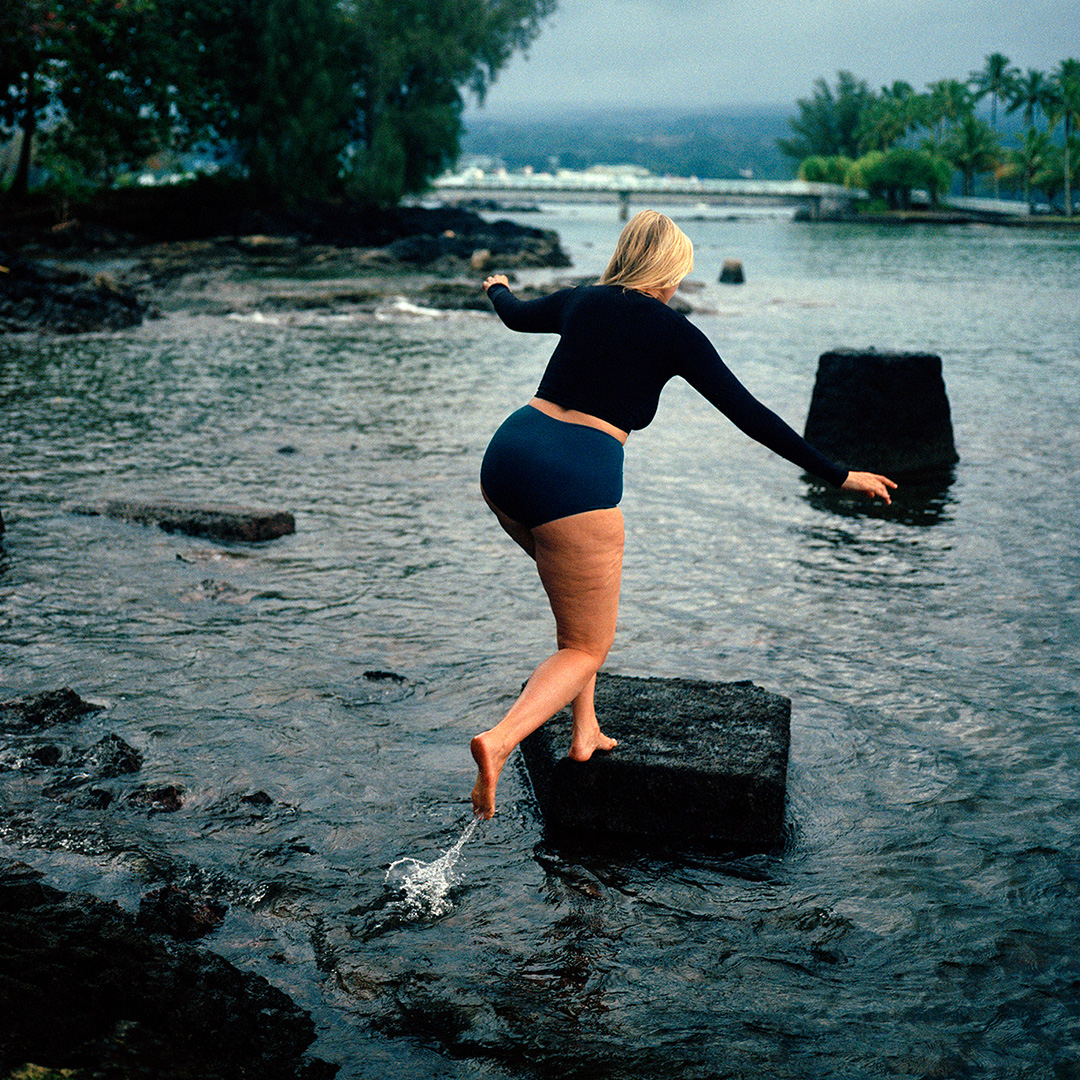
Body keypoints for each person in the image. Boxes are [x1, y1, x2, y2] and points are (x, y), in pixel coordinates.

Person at [470, 210, 895, 819]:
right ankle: (501, 740)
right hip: (573, 479)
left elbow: (514, 315)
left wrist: (497, 286)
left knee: (576, 622)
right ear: (669, 271)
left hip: (508, 456)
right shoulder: (673, 331)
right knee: (588, 646)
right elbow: (752, 416)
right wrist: (839, 474)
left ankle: (584, 731)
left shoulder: (582, 301)